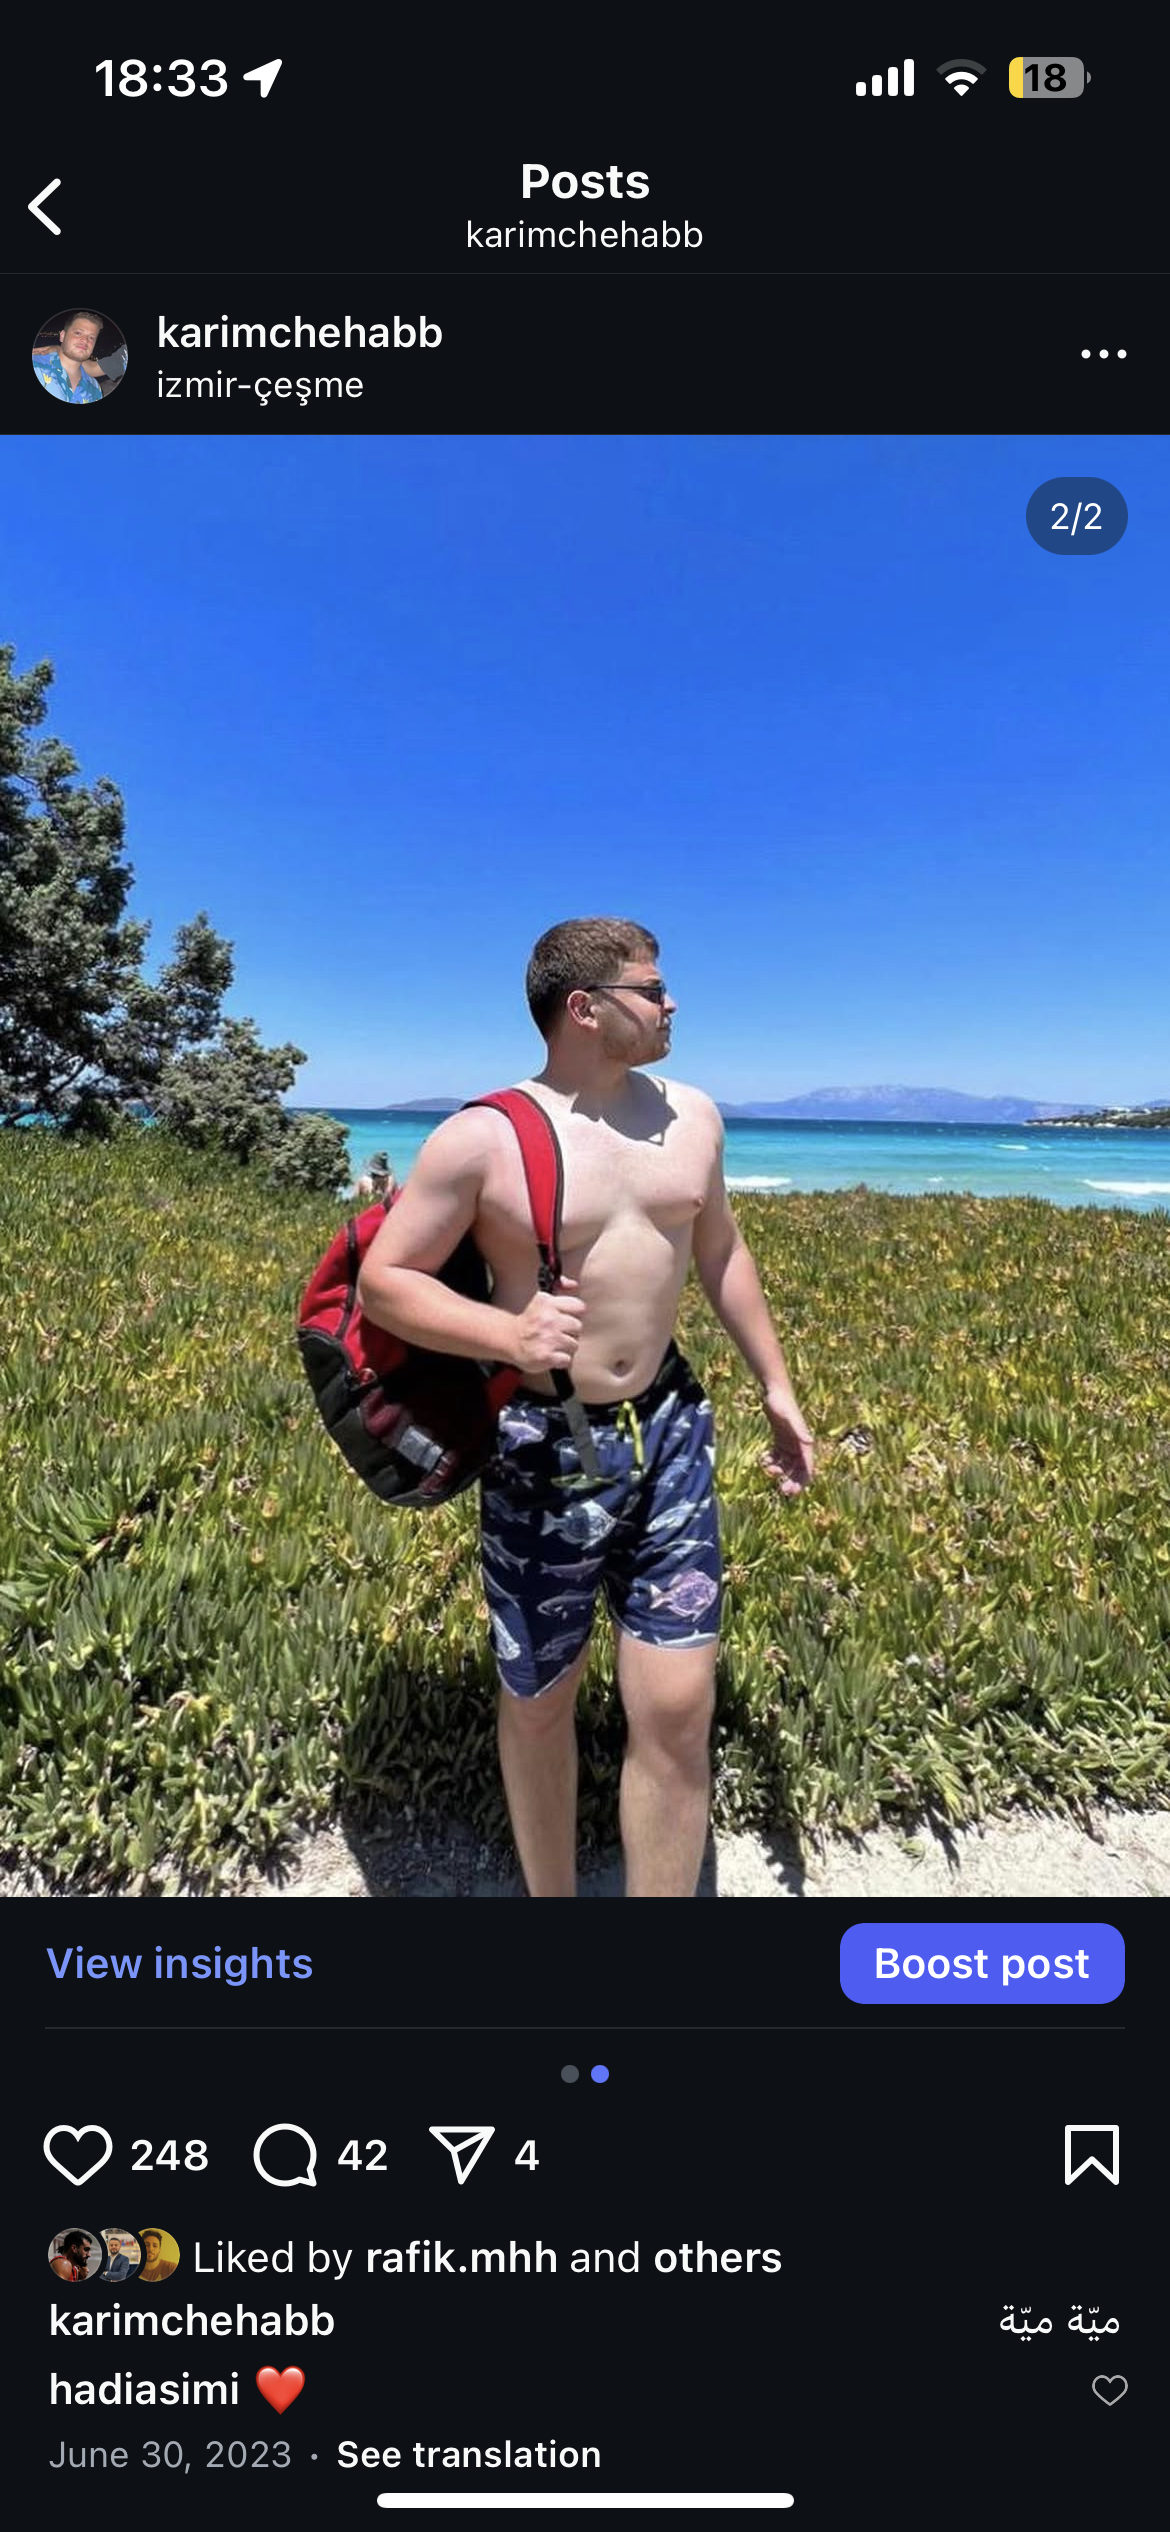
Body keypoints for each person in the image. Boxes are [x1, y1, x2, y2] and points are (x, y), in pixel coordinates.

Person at [357, 916, 815, 1899]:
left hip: (670, 1429)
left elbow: (721, 1251)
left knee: (680, 1709)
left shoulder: (694, 1118)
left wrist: (776, 1385)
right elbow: (385, 1283)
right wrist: (506, 1336)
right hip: (543, 1445)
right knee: (539, 1704)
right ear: (586, 1008)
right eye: (651, 989)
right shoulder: (484, 1138)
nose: (671, 1003)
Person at [32, 311, 106, 405]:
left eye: (91, 338)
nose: (85, 340)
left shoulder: (95, 388)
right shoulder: (36, 365)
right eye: (78, 333)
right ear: (62, 336)